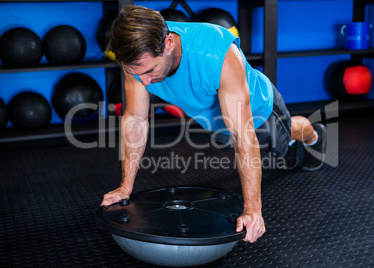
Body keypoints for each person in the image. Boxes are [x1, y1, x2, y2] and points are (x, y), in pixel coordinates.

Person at [101, 6, 327, 243]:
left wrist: (252, 210)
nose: (144, 81)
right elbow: (135, 120)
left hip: (260, 111)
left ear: (168, 43)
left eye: (150, 71)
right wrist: (125, 187)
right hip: (218, 120)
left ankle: (313, 135)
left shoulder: (217, 52)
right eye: (136, 73)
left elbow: (244, 133)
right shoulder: (136, 59)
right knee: (231, 143)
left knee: (281, 149)